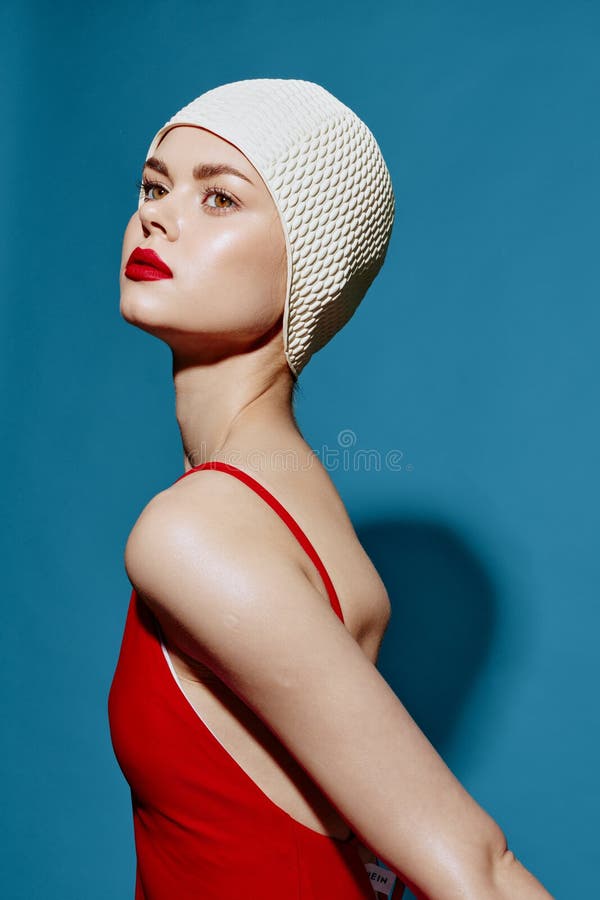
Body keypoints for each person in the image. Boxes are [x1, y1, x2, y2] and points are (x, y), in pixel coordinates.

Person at [107, 78, 553, 900]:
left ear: (306, 260)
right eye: (156, 184)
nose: (158, 216)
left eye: (221, 198)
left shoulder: (195, 530)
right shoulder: (288, 496)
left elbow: (477, 870)